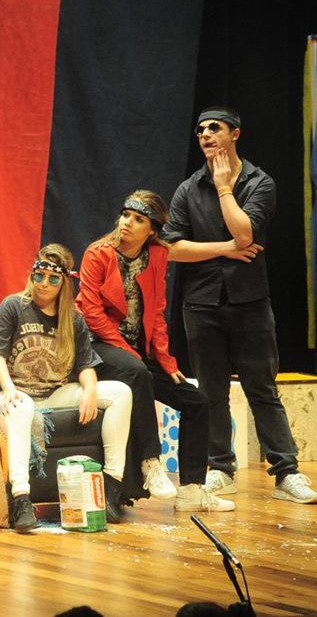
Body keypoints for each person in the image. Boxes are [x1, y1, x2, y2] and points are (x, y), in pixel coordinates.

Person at [162, 106, 317, 503]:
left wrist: (223, 188)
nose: (205, 134)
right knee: (211, 392)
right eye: (200, 130)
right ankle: (221, 469)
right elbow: (172, 248)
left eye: (214, 128)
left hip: (249, 300)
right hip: (201, 302)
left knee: (262, 389)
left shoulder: (259, 182)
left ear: (234, 134)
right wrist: (225, 249)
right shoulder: (187, 189)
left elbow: (245, 233)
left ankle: (286, 473)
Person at [76, 190, 235, 512]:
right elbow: (92, 314)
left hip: (137, 353)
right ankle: (151, 463)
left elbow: (157, 312)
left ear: (152, 230)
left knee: (197, 401)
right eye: (125, 215)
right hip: (97, 347)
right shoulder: (98, 253)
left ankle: (192, 491)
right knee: (137, 371)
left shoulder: (157, 255)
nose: (127, 223)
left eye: (138, 219)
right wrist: (130, 353)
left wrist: (165, 360)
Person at [0, 243, 133, 530]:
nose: (44, 284)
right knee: (20, 405)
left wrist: (90, 389)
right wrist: (8, 386)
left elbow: (85, 365)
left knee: (120, 393)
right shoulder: (13, 306)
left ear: (64, 283)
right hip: (12, 391)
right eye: (39, 276)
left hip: (54, 392)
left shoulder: (72, 319)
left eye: (53, 279)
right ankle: (21, 498)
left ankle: (112, 487)